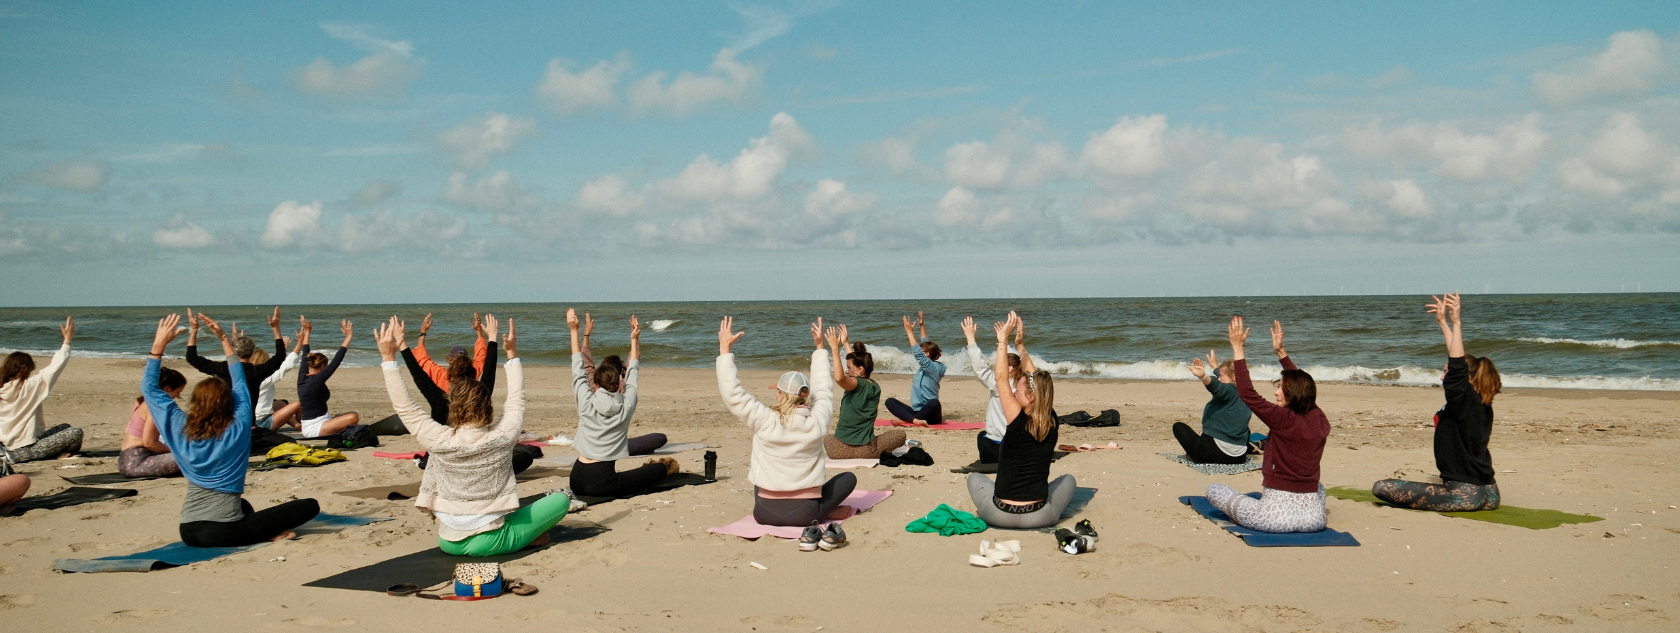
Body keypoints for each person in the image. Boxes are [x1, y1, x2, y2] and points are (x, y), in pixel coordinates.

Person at [375, 315, 567, 556]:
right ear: (488, 406)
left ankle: (518, 537)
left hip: (448, 542)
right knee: (560, 501)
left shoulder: (437, 438)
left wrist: (388, 358)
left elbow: (405, 407)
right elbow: (516, 400)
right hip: (490, 540)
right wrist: (511, 353)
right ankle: (519, 539)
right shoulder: (503, 436)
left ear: (453, 405)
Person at [145, 313, 319, 547]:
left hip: (188, 530)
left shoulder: (180, 428)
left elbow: (150, 390)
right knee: (310, 506)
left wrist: (158, 346)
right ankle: (261, 533)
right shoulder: (237, 428)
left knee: (243, 506)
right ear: (229, 402)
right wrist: (225, 339)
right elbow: (240, 383)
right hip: (223, 532)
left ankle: (259, 531)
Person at [718, 316, 853, 550]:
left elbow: (733, 395)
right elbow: (824, 391)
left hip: (763, 512)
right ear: (805, 396)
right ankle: (826, 512)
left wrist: (724, 349)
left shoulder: (764, 420)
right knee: (848, 478)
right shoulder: (817, 421)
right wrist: (820, 348)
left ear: (780, 395)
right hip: (806, 514)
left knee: (763, 467)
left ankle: (821, 510)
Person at [1372, 293, 1502, 511]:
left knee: (1382, 487)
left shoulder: (1465, 401)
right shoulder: (1480, 403)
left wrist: (1456, 322)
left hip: (1466, 494)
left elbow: (1457, 366)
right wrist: (1443, 322)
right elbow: (1457, 365)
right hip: (1489, 492)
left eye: (1446, 373)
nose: (1443, 377)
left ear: (1467, 379)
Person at [1205, 317, 1330, 533]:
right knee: (1318, 487)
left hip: (1273, 519)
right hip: (1315, 521)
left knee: (1214, 490)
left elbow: (1247, 393)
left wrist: (1238, 348)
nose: (1276, 391)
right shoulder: (1320, 420)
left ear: (1293, 393)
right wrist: (1281, 352)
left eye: (1281, 388)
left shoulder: (1282, 420)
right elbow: (1305, 387)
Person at [965, 313, 1076, 529]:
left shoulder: (1015, 420)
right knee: (1069, 479)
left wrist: (1003, 342)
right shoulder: (1052, 422)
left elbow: (1000, 378)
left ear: (1031, 397)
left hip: (1000, 515)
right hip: (1039, 516)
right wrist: (1021, 346)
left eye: (1019, 390)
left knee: (975, 479)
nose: (1015, 391)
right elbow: (1035, 381)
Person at [391, 315, 538, 474]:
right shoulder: (480, 395)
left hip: (446, 460)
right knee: (525, 456)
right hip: (480, 462)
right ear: (474, 371)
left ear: (450, 369)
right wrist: (494, 340)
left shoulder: (440, 396)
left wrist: (402, 344)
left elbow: (418, 370)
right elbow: (488, 365)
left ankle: (429, 462)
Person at [567, 308, 676, 500]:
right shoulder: (626, 405)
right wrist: (635, 339)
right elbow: (633, 372)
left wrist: (574, 331)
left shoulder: (585, 402)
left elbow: (579, 369)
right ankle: (657, 468)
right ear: (619, 383)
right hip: (603, 483)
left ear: (597, 384)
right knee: (659, 470)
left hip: (576, 478)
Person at [578, 312, 667, 455]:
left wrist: (585, 335)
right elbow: (632, 368)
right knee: (659, 438)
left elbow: (586, 364)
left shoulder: (590, 391)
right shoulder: (624, 393)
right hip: (616, 446)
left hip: (591, 445)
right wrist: (635, 339)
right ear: (620, 373)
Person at [0, 317, 82, 462]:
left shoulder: (2, 389)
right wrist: (67, 341)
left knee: (65, 427)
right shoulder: (29, 386)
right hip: (24, 449)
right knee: (76, 432)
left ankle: (52, 453)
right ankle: (49, 454)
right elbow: (55, 367)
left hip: (7, 445)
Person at [183, 307, 291, 413]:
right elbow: (280, 356)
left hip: (224, 422)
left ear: (233, 351)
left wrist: (194, 329)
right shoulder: (257, 372)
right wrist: (275, 328)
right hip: (248, 424)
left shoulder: (222, 369)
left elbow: (192, 358)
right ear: (252, 352)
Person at [822, 325, 906, 459]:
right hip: (867, 451)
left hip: (838, 451)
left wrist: (834, 349)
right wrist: (845, 343)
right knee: (900, 435)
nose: (846, 371)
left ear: (860, 370)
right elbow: (856, 363)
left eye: (848, 368)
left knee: (828, 438)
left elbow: (839, 378)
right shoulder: (875, 387)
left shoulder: (854, 383)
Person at [963, 314, 1025, 464]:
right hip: (1020, 445)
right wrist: (1005, 341)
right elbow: (1017, 360)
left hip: (1000, 446)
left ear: (1009, 368)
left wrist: (971, 339)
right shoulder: (1024, 385)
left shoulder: (999, 385)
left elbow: (980, 368)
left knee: (981, 437)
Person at [1176, 349, 1253, 465]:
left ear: (1233, 377)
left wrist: (1203, 377)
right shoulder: (1248, 393)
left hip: (1214, 452)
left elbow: (1217, 387)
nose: (1219, 378)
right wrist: (1216, 367)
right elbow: (1223, 383)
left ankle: (1195, 455)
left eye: (1221, 375)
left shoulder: (1228, 391)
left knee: (1178, 427)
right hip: (1238, 457)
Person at [296, 316, 360, 438]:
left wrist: (307, 332)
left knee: (343, 416)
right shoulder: (317, 380)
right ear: (324, 365)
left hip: (318, 422)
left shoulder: (302, 378)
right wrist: (348, 337)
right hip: (314, 428)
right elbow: (337, 360)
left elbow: (305, 353)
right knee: (353, 417)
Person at [119, 366, 187, 478]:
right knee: (192, 456)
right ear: (167, 389)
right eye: (177, 392)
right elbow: (150, 443)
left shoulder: (141, 401)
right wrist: (174, 451)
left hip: (126, 459)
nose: (177, 396)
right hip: (137, 462)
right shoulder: (153, 408)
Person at [884, 311, 946, 425]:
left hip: (932, 415)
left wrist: (909, 332)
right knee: (889, 401)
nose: (921, 353)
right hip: (917, 412)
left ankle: (907, 420)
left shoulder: (934, 368)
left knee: (934, 403)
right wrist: (922, 326)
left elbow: (919, 354)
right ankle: (914, 420)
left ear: (927, 354)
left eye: (923, 352)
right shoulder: (926, 365)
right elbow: (925, 344)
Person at [411, 312, 491, 388]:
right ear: (467, 361)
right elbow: (482, 354)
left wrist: (423, 331)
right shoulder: (473, 375)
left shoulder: (441, 375)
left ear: (449, 360)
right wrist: (479, 331)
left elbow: (421, 358)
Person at [250, 336, 303, 431]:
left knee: (279, 403)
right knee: (299, 404)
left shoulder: (244, 376)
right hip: (263, 423)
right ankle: (304, 425)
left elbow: (280, 364)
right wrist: (300, 342)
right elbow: (287, 365)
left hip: (249, 421)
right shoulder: (266, 378)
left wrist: (284, 350)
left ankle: (296, 425)